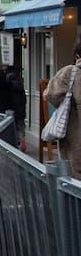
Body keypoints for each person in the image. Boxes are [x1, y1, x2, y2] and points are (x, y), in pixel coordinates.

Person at [45, 39, 81, 177]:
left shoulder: (69, 72)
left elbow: (50, 95)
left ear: (77, 56)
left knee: (74, 177)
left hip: (75, 137)